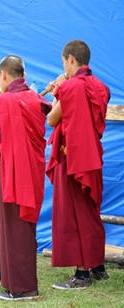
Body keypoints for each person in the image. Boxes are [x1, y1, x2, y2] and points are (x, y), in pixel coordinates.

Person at [0, 55, 51, 301]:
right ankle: (16, 283)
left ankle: (23, 288)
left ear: (3, 75)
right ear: (23, 74)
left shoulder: (2, 102)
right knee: (24, 226)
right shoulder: (36, 98)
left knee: (13, 226)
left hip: (11, 171)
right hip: (31, 170)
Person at [45, 40, 110, 290]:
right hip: (92, 157)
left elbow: (52, 119)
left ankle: (81, 275)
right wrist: (60, 91)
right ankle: (97, 266)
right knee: (90, 212)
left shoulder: (72, 87)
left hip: (72, 159)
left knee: (74, 215)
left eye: (64, 62)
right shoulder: (100, 87)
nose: (64, 67)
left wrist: (59, 91)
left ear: (71, 59)